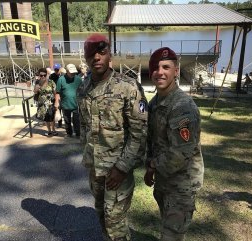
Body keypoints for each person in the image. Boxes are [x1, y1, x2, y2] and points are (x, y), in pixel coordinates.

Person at [77, 33, 147, 241]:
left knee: (116, 226)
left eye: (102, 52)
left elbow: (140, 132)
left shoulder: (128, 87)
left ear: (110, 56)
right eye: (91, 53)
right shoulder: (83, 87)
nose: (96, 57)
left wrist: (122, 168)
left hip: (118, 171)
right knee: (101, 217)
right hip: (95, 170)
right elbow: (83, 126)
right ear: (86, 58)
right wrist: (88, 156)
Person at [144, 47, 204, 241]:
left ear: (176, 71)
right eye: (155, 67)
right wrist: (152, 169)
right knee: (167, 227)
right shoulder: (155, 103)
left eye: (166, 67)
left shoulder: (182, 106)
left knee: (171, 236)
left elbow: (180, 153)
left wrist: (152, 165)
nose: (159, 72)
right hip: (164, 181)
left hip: (181, 186)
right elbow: (154, 141)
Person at [54, 63, 82, 137]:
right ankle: (69, 133)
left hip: (76, 104)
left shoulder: (78, 79)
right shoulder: (61, 79)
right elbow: (57, 92)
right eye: (71, 72)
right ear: (67, 71)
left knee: (76, 121)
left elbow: (82, 91)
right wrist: (56, 102)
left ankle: (78, 134)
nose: (73, 74)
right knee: (67, 121)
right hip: (65, 104)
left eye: (74, 72)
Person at [33, 68, 58, 137]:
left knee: (52, 117)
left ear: (47, 74)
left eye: (44, 75)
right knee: (46, 118)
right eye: (41, 75)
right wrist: (36, 88)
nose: (43, 77)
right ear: (39, 75)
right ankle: (49, 131)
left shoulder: (51, 82)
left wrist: (56, 102)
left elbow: (55, 92)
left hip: (51, 102)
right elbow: (35, 92)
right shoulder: (37, 82)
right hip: (42, 103)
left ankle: (53, 130)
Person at [49, 63, 63, 128]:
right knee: (57, 108)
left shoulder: (63, 75)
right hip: (55, 94)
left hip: (63, 94)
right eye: (55, 69)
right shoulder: (52, 76)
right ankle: (59, 122)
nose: (56, 71)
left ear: (60, 69)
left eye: (57, 69)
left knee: (64, 108)